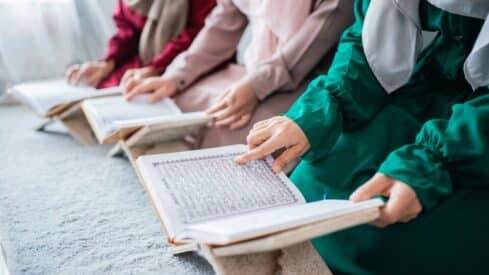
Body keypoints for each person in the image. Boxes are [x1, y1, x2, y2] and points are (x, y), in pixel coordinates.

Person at [236, 0, 489, 274]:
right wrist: (316, 113)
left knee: (390, 237)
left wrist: (430, 165)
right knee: (310, 187)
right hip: (415, 93)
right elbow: (367, 38)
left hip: (476, 132)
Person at [123, 0, 355, 148]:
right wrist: (174, 77)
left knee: (239, 129)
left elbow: (302, 53)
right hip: (256, 67)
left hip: (312, 82)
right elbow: (221, 25)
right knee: (181, 99)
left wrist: (254, 88)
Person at [66, 0, 216, 88]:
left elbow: (198, 35)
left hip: (191, 60)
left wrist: (156, 68)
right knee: (104, 88)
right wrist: (108, 63)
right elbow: (127, 31)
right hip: (146, 59)